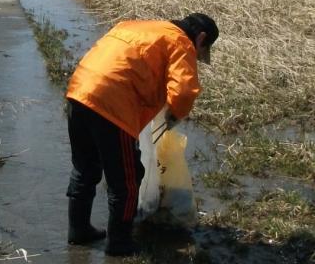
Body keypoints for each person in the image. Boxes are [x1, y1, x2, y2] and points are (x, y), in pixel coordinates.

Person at [65, 13, 219, 256]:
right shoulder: (180, 41)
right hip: (113, 106)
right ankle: (119, 244)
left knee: (85, 168)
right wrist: (174, 116)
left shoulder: (135, 26)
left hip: (79, 93)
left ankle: (79, 230)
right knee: (126, 180)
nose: (198, 55)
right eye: (202, 49)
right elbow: (185, 91)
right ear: (201, 38)